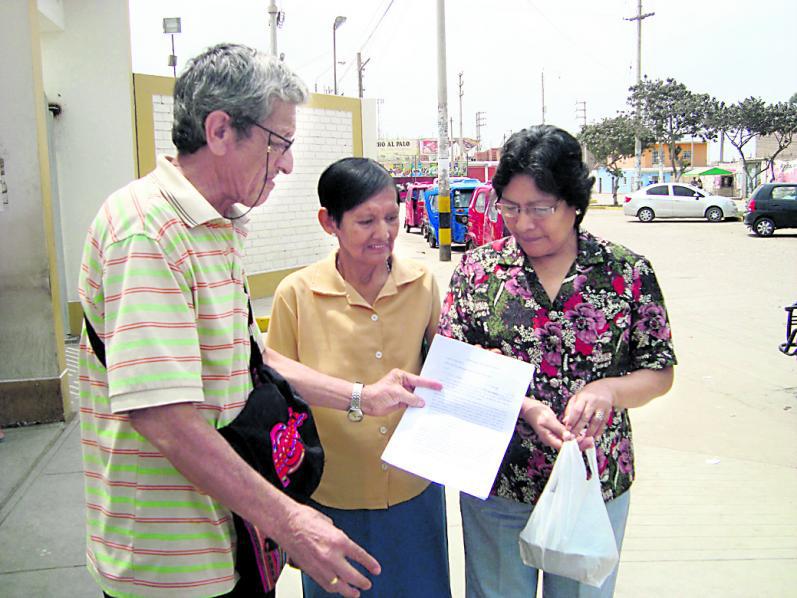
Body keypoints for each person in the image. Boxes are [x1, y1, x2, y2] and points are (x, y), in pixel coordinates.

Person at [78, 44, 439, 598]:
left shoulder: (212, 227)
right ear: (221, 130)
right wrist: (291, 521)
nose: (289, 163)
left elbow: (253, 361)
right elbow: (166, 418)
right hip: (173, 562)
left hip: (230, 538)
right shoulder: (149, 233)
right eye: (280, 143)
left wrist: (363, 397)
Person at [437, 125, 676, 598]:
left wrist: (608, 391)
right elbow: (450, 365)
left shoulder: (626, 273)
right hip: (502, 481)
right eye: (511, 208)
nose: (524, 223)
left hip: (593, 482)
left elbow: (659, 370)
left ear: (574, 203)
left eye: (540, 209)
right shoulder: (478, 272)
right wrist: (521, 405)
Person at [266, 157, 451, 598]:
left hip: (414, 487)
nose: (384, 233)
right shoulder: (297, 293)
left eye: (392, 217)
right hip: (333, 493)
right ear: (329, 222)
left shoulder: (421, 283)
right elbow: (275, 379)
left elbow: (444, 364)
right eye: (366, 221)